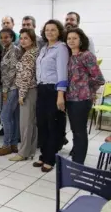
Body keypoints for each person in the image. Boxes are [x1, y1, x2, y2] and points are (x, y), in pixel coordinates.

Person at [66, 28, 104, 164]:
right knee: (75, 129)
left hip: (82, 99)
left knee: (80, 130)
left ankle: (78, 161)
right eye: (69, 38)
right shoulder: (70, 57)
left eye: (74, 38)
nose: (71, 41)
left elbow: (99, 78)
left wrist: (87, 90)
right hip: (70, 98)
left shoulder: (86, 55)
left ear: (81, 40)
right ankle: (75, 153)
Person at [34, 19, 69, 172]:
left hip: (54, 90)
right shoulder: (44, 48)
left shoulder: (61, 48)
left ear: (59, 32)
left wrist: (60, 95)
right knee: (41, 124)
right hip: (41, 89)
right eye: (47, 29)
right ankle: (44, 154)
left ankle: (50, 158)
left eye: (53, 29)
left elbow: (62, 72)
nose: (49, 32)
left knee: (53, 124)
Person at [9, 28, 39, 161]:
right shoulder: (30, 52)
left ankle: (23, 153)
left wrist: (21, 94)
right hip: (30, 90)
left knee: (26, 124)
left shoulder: (29, 55)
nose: (22, 41)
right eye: (21, 38)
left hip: (28, 91)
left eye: (26, 38)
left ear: (32, 39)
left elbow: (26, 76)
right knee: (31, 123)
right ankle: (30, 151)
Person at [0, 28, 21, 156]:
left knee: (5, 116)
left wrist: (5, 90)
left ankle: (6, 145)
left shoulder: (14, 50)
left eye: (7, 37)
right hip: (10, 87)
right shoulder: (5, 50)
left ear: (12, 38)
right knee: (13, 117)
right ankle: (13, 144)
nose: (4, 39)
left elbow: (12, 71)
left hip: (12, 88)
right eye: (2, 37)